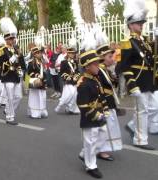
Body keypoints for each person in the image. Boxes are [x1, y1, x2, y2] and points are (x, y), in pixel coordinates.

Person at [120, 0, 158, 150]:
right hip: (137, 81)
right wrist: (131, 84)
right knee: (141, 111)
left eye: (142, 23)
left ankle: (131, 125)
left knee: (155, 107)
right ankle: (140, 140)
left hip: (148, 80)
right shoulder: (127, 42)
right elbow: (125, 65)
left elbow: (155, 56)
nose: (141, 25)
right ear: (130, 25)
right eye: (138, 23)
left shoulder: (146, 41)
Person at [77, 29, 110, 178]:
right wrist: (96, 115)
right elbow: (83, 105)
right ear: (87, 66)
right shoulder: (83, 83)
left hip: (99, 115)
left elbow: (102, 96)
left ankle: (85, 153)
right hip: (89, 118)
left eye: (98, 63)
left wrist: (106, 109)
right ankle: (91, 166)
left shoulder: (95, 79)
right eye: (95, 64)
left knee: (102, 135)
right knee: (90, 140)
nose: (98, 66)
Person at [95, 27, 123, 159]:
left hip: (110, 101)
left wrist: (114, 77)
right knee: (104, 127)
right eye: (110, 56)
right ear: (102, 58)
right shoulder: (99, 71)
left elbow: (112, 85)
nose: (113, 59)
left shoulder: (105, 70)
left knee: (109, 125)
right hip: (103, 102)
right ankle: (100, 150)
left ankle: (103, 148)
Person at [0, 17, 23, 125]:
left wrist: (20, 69)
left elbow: (18, 62)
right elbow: (2, 64)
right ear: (6, 39)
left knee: (19, 96)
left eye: (13, 38)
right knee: (10, 96)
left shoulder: (15, 49)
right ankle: (10, 117)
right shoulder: (2, 50)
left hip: (15, 75)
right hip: (7, 76)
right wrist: (13, 59)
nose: (13, 40)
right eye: (11, 39)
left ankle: (7, 110)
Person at [55, 38, 80, 114]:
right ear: (68, 53)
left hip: (74, 80)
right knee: (70, 94)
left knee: (75, 94)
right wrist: (67, 77)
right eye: (71, 53)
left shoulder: (75, 62)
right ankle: (62, 105)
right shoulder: (64, 62)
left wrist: (77, 76)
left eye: (73, 53)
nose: (72, 54)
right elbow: (62, 72)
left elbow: (77, 71)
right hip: (68, 81)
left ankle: (71, 109)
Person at [27, 45, 48, 119]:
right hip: (35, 82)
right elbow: (29, 72)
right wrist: (37, 75)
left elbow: (45, 72)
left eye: (41, 53)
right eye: (38, 53)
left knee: (42, 97)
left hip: (42, 82)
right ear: (35, 54)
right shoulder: (31, 62)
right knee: (35, 98)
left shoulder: (42, 62)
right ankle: (35, 113)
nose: (40, 54)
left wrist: (44, 79)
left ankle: (42, 111)